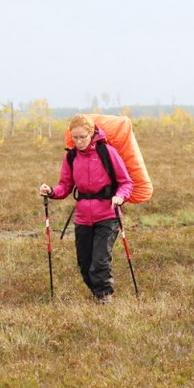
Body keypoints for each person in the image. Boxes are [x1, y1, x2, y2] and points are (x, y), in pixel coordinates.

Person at [39, 114, 133, 303]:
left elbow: (126, 183)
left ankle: (104, 297)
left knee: (100, 261)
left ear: (91, 133)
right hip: (83, 217)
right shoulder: (71, 156)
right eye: (75, 138)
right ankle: (98, 294)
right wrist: (51, 191)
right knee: (84, 264)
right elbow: (65, 185)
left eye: (82, 137)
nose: (79, 141)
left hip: (108, 214)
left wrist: (119, 197)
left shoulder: (107, 152)